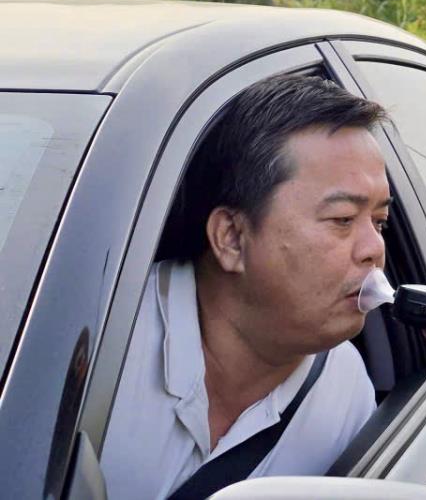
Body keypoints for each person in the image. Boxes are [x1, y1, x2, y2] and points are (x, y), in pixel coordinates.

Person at [103, 74, 391, 500]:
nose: (374, 249)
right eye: (343, 219)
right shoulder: (99, 353)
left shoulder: (345, 389)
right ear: (232, 238)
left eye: (380, 222)